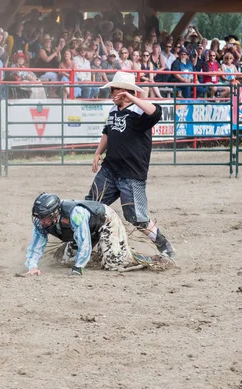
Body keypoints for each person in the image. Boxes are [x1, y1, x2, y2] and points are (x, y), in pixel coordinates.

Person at [86, 71, 176, 258]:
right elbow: (107, 132)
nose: (111, 93)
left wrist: (131, 97)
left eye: (114, 89)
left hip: (132, 173)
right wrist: (98, 152)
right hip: (110, 169)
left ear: (124, 91)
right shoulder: (113, 111)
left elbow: (156, 112)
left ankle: (164, 245)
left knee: (137, 217)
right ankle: (81, 245)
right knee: (91, 206)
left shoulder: (140, 112)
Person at [25, 193, 171, 276]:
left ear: (55, 214)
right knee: (64, 260)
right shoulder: (41, 222)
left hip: (105, 221)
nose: (41, 222)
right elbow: (36, 245)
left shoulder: (75, 214)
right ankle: (100, 254)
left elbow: (84, 241)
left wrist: (79, 267)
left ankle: (151, 258)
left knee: (113, 263)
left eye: (44, 218)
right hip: (87, 229)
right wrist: (32, 266)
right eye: (39, 217)